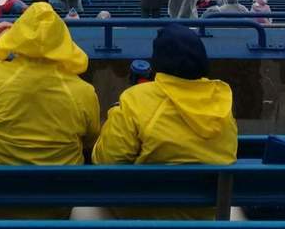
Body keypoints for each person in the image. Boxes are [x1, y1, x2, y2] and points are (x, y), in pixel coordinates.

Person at [0, 4, 101, 220]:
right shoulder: (83, 92)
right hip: (57, 206)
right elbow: (90, 140)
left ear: (18, 36)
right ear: (62, 40)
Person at [92, 24, 238, 221]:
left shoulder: (136, 99)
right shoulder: (222, 103)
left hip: (143, 215)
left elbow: (106, 162)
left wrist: (116, 114)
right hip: (206, 215)